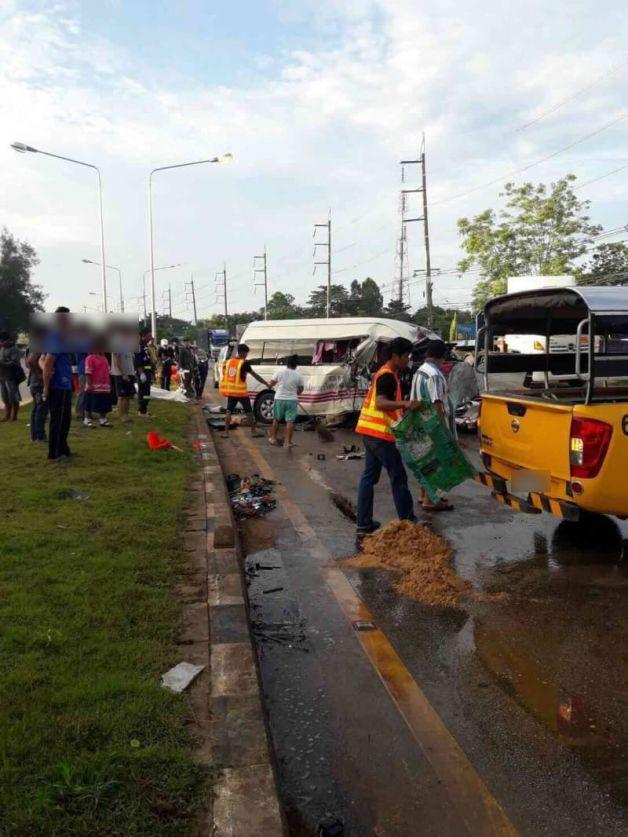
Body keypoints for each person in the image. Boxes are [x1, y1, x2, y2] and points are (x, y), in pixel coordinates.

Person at [355, 337, 419, 537]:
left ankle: (364, 523)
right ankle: (408, 520)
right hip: (380, 436)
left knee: (369, 478)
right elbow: (381, 404)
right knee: (398, 476)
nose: (408, 360)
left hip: (370, 432)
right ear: (395, 356)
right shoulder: (387, 376)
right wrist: (406, 404)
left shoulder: (386, 374)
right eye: (406, 356)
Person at [410, 338, 455, 512]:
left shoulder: (420, 371)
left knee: (426, 461)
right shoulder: (435, 375)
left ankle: (423, 495)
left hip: (420, 422)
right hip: (432, 424)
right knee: (436, 462)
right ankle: (430, 500)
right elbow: (437, 402)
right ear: (442, 356)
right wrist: (440, 429)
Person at [41, 307, 74, 461]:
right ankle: (55, 452)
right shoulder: (56, 338)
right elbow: (47, 363)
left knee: (65, 419)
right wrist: (46, 387)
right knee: (59, 420)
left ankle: (63, 447)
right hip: (59, 385)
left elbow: (41, 360)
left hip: (65, 384)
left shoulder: (62, 338)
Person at [219, 343, 271, 439]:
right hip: (241, 393)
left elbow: (225, 374)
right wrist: (266, 383)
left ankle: (226, 433)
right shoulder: (244, 363)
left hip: (231, 391)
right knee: (249, 412)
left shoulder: (229, 362)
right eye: (246, 353)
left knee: (228, 412)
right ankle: (253, 431)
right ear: (242, 353)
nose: (246, 355)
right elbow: (255, 375)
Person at [268, 355, 304, 448]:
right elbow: (300, 389)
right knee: (290, 421)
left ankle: (273, 438)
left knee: (276, 419)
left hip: (279, 398)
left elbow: (271, 384)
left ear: (287, 363)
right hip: (292, 400)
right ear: (296, 365)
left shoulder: (279, 372)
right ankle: (288, 442)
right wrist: (293, 393)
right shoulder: (298, 375)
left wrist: (271, 384)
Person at [84, 342, 113, 427]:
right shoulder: (89, 358)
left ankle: (103, 419)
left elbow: (108, 371)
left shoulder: (104, 358)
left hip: (104, 386)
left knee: (104, 403)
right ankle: (87, 419)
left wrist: (109, 383)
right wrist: (89, 384)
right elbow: (88, 372)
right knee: (89, 402)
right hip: (93, 385)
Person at [26, 348, 48, 441]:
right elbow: (30, 361)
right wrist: (39, 373)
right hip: (38, 384)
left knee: (36, 408)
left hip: (35, 383)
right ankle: (40, 435)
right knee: (40, 409)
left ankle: (35, 435)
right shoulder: (39, 345)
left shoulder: (33, 345)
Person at [0, 332, 23, 422]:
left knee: (13, 396)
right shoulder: (2, 348)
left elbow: (14, 362)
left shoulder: (14, 349)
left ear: (7, 340)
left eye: (2, 340)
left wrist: (3, 363)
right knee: (5, 396)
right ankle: (7, 415)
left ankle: (14, 416)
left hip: (12, 376)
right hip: (2, 376)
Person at [111, 345, 136, 424]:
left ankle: (126, 415)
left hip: (130, 373)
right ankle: (122, 416)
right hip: (120, 374)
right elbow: (116, 359)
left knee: (128, 396)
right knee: (122, 396)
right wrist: (123, 373)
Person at [135, 327, 156, 416]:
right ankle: (142, 410)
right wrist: (141, 373)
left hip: (148, 371)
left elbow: (150, 358)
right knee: (144, 392)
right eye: (149, 335)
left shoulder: (145, 345)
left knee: (147, 392)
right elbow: (138, 360)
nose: (151, 337)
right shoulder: (139, 346)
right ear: (144, 335)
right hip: (142, 372)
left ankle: (144, 409)